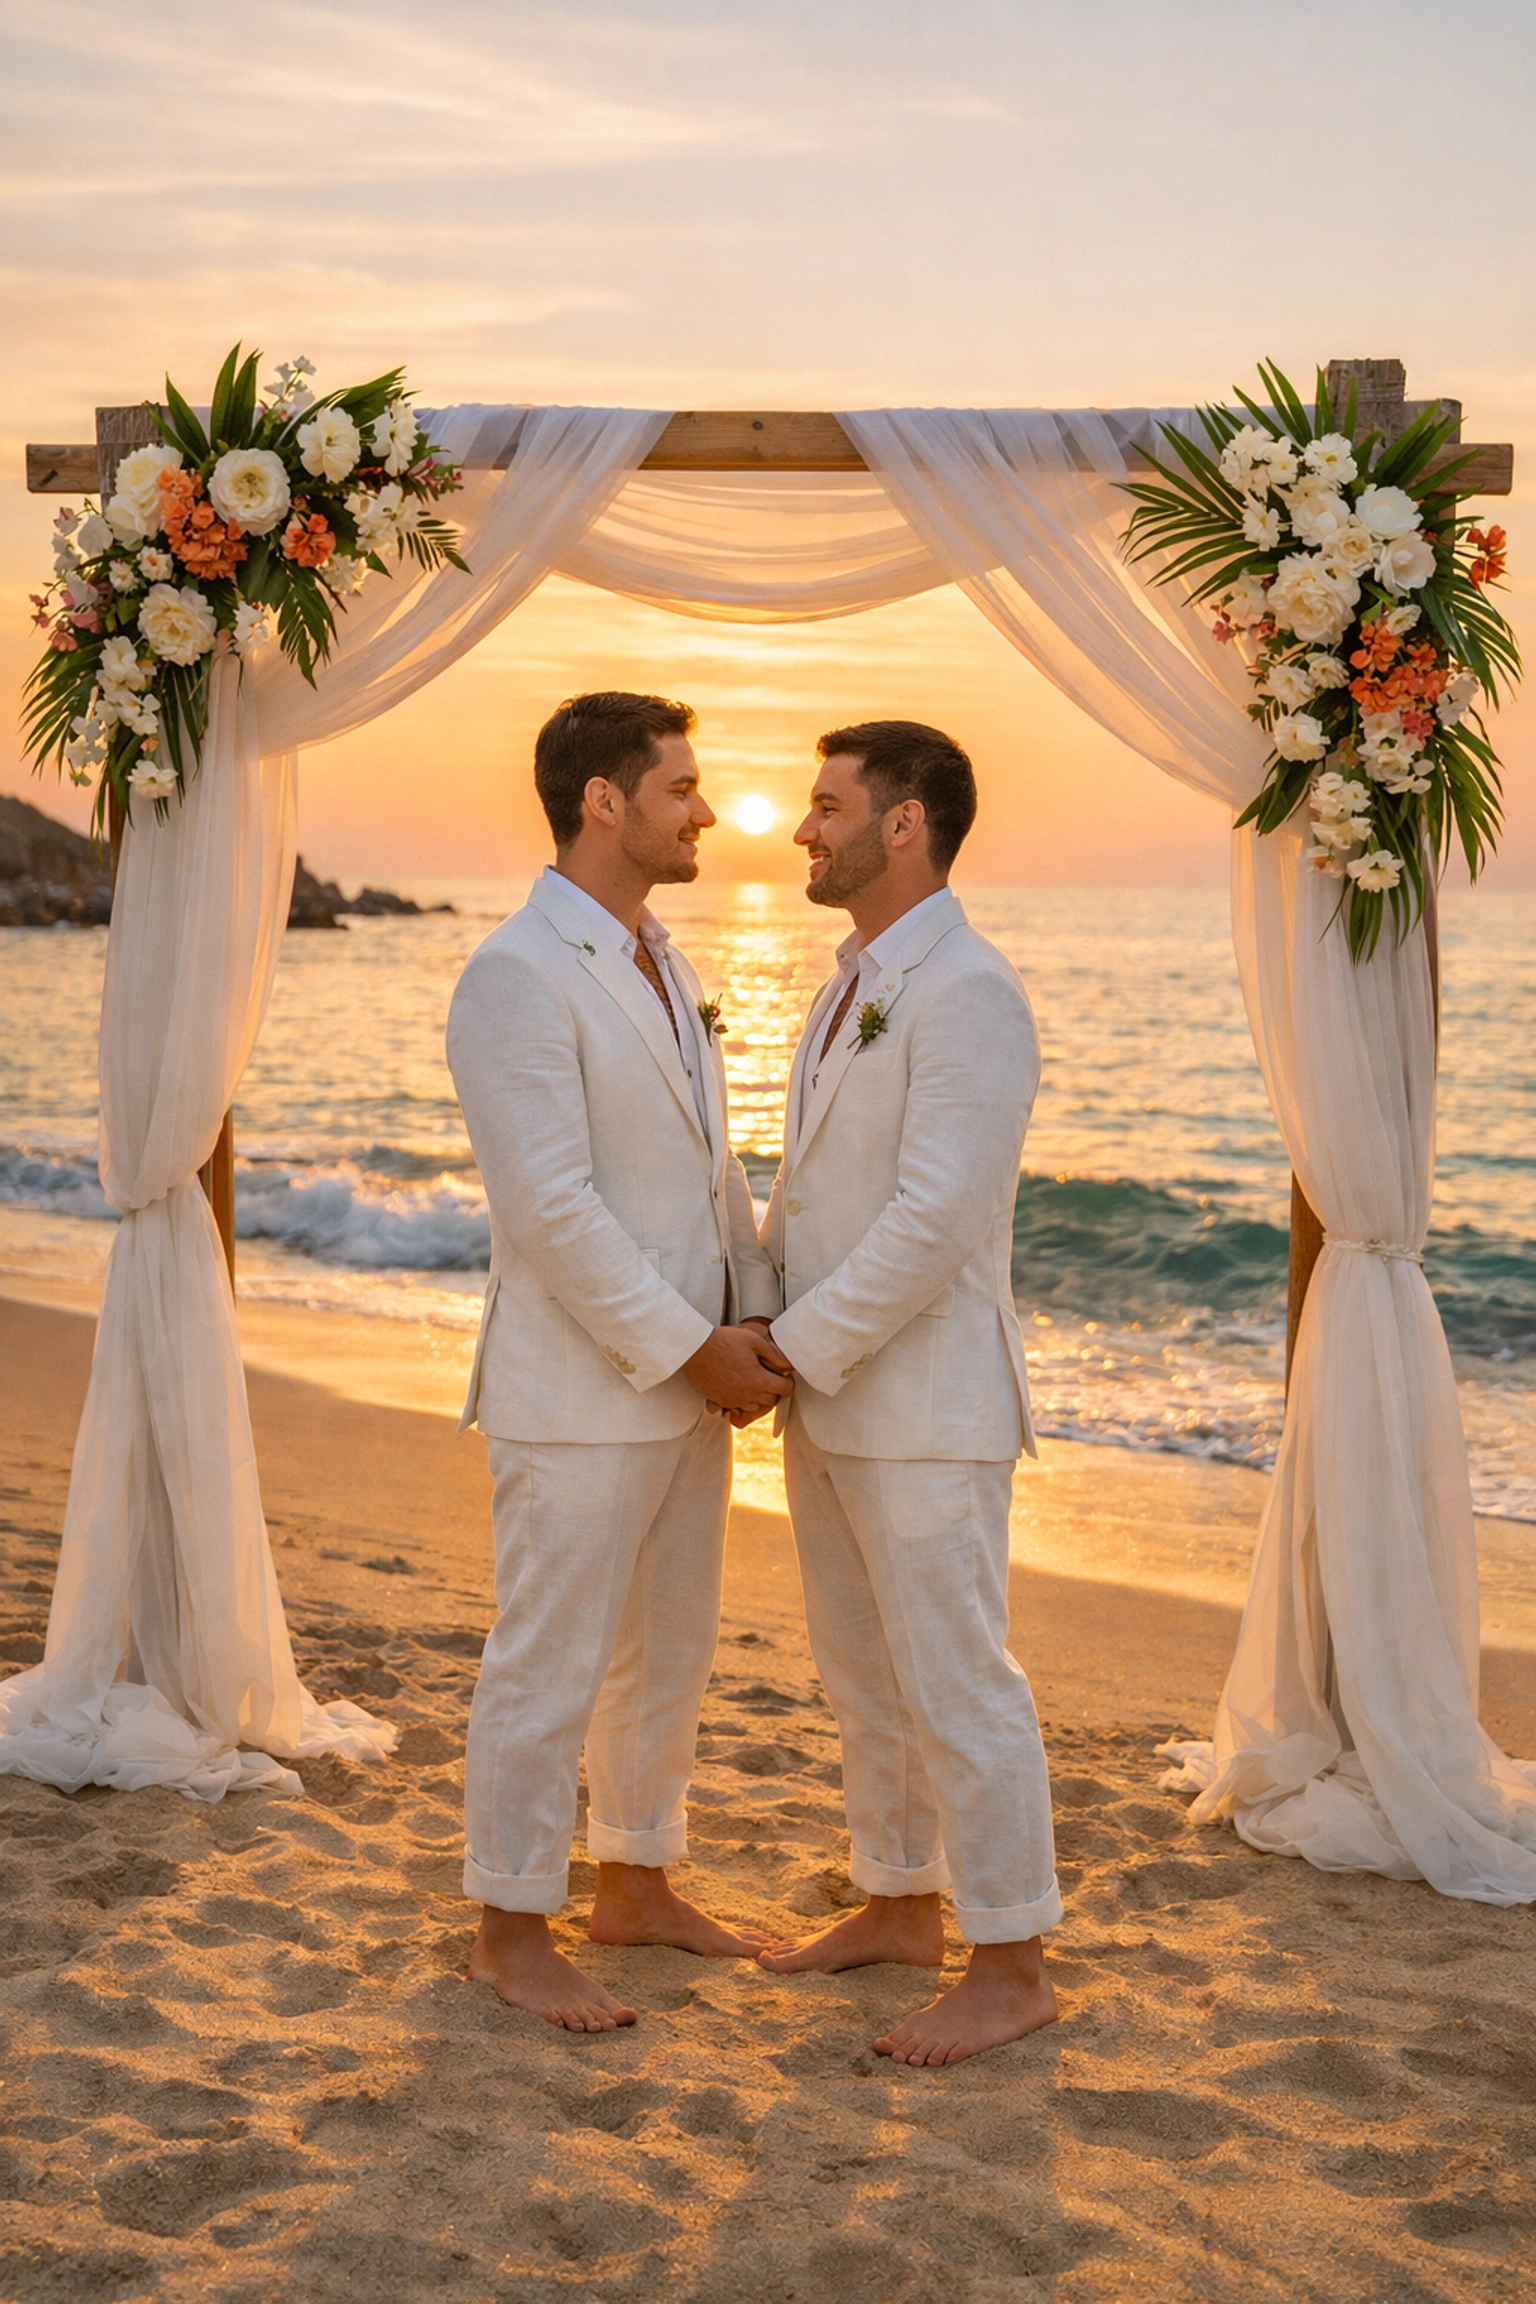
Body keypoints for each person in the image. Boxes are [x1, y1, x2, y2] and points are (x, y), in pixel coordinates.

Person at [447, 691, 792, 2032]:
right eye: (683, 787)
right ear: (606, 799)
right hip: (580, 1393)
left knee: (666, 1653)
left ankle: (635, 1879)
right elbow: (550, 1209)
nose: (706, 810)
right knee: (549, 1660)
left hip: (688, 1387)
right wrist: (687, 1344)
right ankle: (509, 1923)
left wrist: (748, 1318)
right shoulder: (517, 975)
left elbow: (707, 1173)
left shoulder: (662, 959)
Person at [755, 720, 1061, 2065]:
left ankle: (1013, 1961)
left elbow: (938, 1217)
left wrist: (789, 1350)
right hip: (835, 1398)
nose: (801, 831)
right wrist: (768, 1328)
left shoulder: (968, 991)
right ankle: (897, 1899)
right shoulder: (847, 982)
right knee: (864, 1677)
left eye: (825, 807)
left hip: (927, 1406)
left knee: (959, 1684)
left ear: (905, 823)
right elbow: (820, 1195)